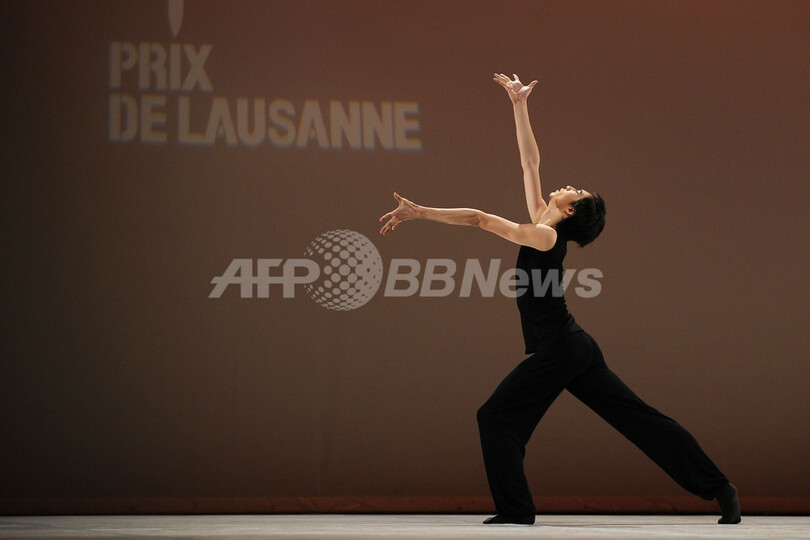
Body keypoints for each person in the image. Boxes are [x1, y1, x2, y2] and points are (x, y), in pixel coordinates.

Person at [378, 73, 741, 526]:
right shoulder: (543, 224)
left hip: (561, 348)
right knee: (639, 420)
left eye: (577, 192)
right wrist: (518, 104)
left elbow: (478, 219)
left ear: (570, 211)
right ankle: (720, 488)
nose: (570, 185)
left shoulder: (545, 235)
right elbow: (530, 163)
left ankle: (517, 511)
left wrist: (420, 212)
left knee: (496, 418)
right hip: (574, 347)